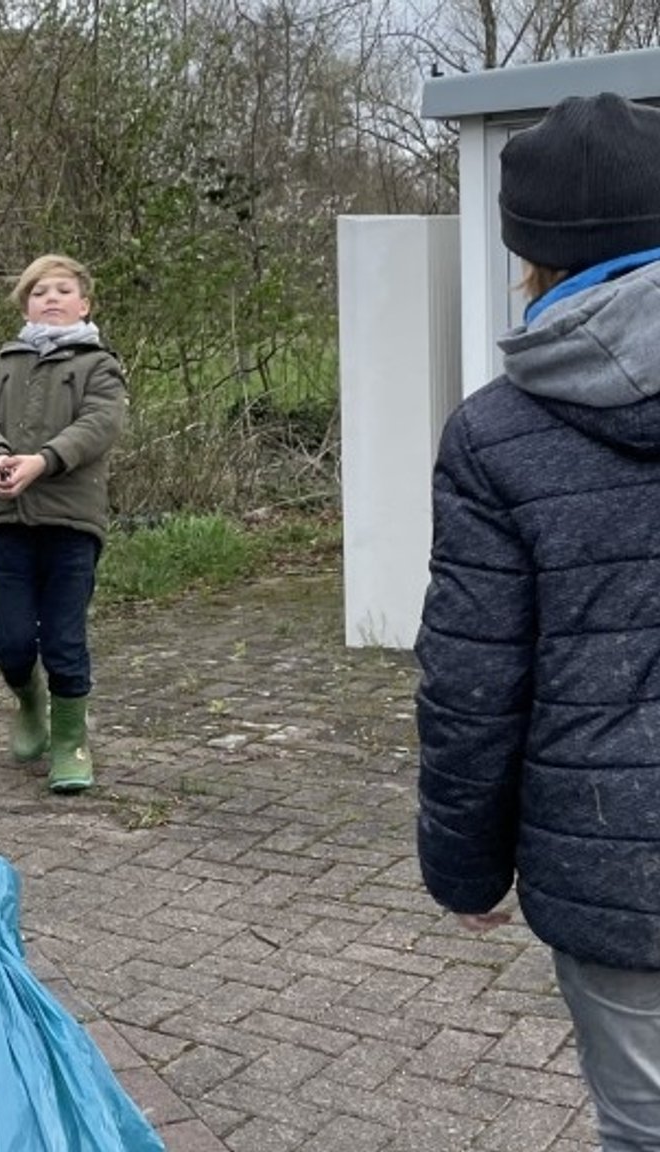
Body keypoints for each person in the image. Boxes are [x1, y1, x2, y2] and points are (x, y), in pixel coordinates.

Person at [415, 92, 660, 1152]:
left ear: (527, 251)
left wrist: (464, 866)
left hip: (613, 864)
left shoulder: (492, 434)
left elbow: (471, 684)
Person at [0, 254, 128, 794]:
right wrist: (0, 455)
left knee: (63, 638)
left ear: (84, 304)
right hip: (9, 519)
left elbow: (99, 424)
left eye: (61, 290)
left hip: (72, 522)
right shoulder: (2, 362)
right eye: (38, 292)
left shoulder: (99, 365)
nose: (49, 298)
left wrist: (43, 461)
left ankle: (70, 742)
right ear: (25, 305)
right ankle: (29, 701)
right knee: (9, 638)